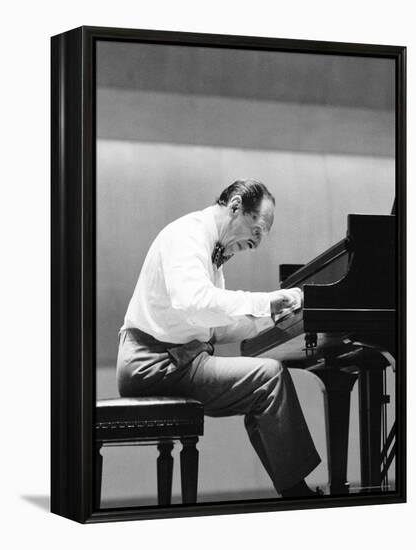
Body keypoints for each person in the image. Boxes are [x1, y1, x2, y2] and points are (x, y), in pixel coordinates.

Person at [117, 178, 321, 498]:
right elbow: (195, 302)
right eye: (256, 231)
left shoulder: (210, 249)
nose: (257, 244)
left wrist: (272, 318)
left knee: (264, 382)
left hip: (177, 360)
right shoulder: (187, 235)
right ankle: (295, 492)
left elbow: (212, 327)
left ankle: (292, 488)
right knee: (268, 376)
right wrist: (263, 301)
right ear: (236, 206)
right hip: (154, 364)